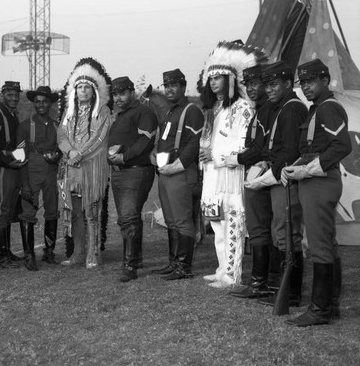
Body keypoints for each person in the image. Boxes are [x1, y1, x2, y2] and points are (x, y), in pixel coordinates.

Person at [281, 59, 351, 326]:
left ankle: (320, 309)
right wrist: (295, 167)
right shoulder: (317, 109)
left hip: (321, 182)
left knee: (319, 245)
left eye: (311, 81)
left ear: (326, 80)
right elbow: (311, 148)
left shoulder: (328, 108)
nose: (306, 87)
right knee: (326, 243)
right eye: (303, 82)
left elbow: (341, 146)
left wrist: (309, 169)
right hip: (315, 179)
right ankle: (329, 304)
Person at [198, 41, 267, 288]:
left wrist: (215, 156)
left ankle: (232, 273)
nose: (214, 82)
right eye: (211, 78)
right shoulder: (215, 109)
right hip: (213, 176)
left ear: (230, 79)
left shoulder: (244, 108)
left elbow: (244, 145)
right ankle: (221, 269)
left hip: (232, 175)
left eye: (219, 77)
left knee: (232, 222)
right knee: (217, 224)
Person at [244, 61, 308, 307]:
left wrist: (268, 175)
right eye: (267, 85)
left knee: (286, 236)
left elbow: (290, 151)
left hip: (285, 179)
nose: (268, 90)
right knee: (279, 234)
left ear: (288, 84)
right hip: (277, 175)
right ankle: (280, 287)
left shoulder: (291, 109)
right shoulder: (281, 108)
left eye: (273, 85)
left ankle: (290, 293)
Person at [226, 64, 280, 298]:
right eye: (247, 84)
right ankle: (263, 279)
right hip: (256, 172)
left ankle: (263, 282)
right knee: (260, 228)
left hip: (261, 174)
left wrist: (237, 158)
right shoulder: (261, 109)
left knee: (261, 228)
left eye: (256, 83)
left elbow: (259, 148)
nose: (251, 88)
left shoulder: (268, 110)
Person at [57, 57, 112, 269]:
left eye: (87, 87)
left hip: (91, 169)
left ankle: (93, 253)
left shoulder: (103, 112)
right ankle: (78, 252)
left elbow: (100, 137)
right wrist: (70, 151)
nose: (83, 91)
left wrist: (80, 154)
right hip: (71, 169)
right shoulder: (68, 113)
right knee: (75, 212)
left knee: (92, 212)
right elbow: (61, 135)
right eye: (79, 87)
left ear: (94, 90)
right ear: (74, 90)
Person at [151, 68, 204, 280]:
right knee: (171, 220)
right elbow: (165, 140)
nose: (170, 89)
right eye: (167, 86)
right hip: (166, 172)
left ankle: (184, 266)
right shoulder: (171, 112)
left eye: (174, 85)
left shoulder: (191, 110)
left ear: (183, 86)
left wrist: (179, 165)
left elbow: (193, 143)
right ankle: (173, 262)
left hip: (181, 172)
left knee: (182, 220)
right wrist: (155, 154)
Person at [107, 76, 158, 282]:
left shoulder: (144, 112)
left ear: (132, 92)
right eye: (115, 94)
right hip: (120, 172)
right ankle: (135, 259)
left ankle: (129, 265)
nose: (118, 98)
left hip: (136, 170)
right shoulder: (121, 115)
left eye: (122, 93)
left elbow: (146, 140)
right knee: (128, 217)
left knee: (128, 217)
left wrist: (124, 156)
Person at [17, 86, 62, 270]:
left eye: (44, 101)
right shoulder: (25, 126)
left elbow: (62, 148)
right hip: (31, 168)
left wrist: (57, 155)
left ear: (50, 103)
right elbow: (19, 157)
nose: (40, 104)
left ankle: (49, 251)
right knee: (28, 211)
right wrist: (24, 183)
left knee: (52, 210)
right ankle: (29, 255)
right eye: (37, 101)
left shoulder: (57, 126)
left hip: (51, 170)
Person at [0, 81, 26, 268]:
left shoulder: (12, 114)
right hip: (2, 167)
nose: (14, 98)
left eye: (16, 94)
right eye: (10, 94)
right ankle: (1, 254)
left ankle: (7, 250)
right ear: (3, 95)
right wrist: (7, 162)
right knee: (2, 208)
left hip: (13, 166)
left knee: (9, 210)